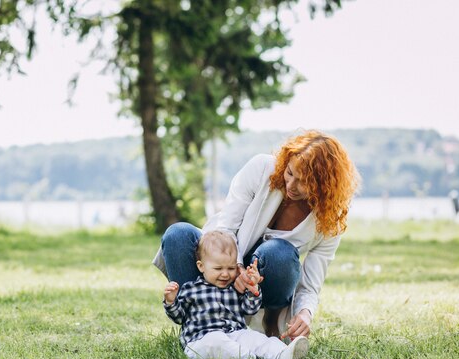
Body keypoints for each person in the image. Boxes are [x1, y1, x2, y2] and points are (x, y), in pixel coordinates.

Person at [154, 130, 360, 345]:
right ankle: (199, 322)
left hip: (266, 281)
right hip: (221, 260)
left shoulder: (330, 219)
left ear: (323, 185)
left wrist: (305, 313)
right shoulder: (262, 168)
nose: (291, 186)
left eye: (303, 182)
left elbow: (310, 284)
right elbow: (226, 228)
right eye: (290, 173)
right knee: (177, 234)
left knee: (279, 252)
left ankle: (268, 320)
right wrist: (237, 267)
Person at [163, 230, 309, 359]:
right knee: (216, 341)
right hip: (201, 339)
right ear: (201, 266)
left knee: (257, 339)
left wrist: (253, 289)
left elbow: (250, 308)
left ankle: (283, 354)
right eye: (218, 269)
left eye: (231, 268)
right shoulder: (191, 289)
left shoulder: (234, 288)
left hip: (234, 333)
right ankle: (247, 357)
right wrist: (171, 301)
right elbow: (179, 317)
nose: (225, 274)